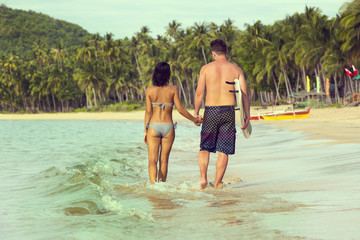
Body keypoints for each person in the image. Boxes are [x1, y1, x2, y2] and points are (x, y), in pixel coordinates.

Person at [194, 39, 250, 189]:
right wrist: (247, 116)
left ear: (213, 53)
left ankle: (203, 179)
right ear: (226, 51)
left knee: (205, 147)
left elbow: (200, 93)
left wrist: (196, 113)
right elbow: (244, 94)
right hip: (228, 112)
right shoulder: (236, 70)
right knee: (224, 149)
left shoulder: (205, 69)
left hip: (211, 111)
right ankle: (217, 183)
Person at [144, 62, 202, 184]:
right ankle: (162, 187)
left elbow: (148, 112)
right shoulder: (173, 90)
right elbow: (180, 109)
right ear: (168, 74)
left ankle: (154, 186)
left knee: (152, 160)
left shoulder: (149, 90)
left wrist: (145, 130)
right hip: (168, 128)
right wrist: (195, 120)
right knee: (164, 161)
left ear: (155, 74)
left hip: (153, 127)